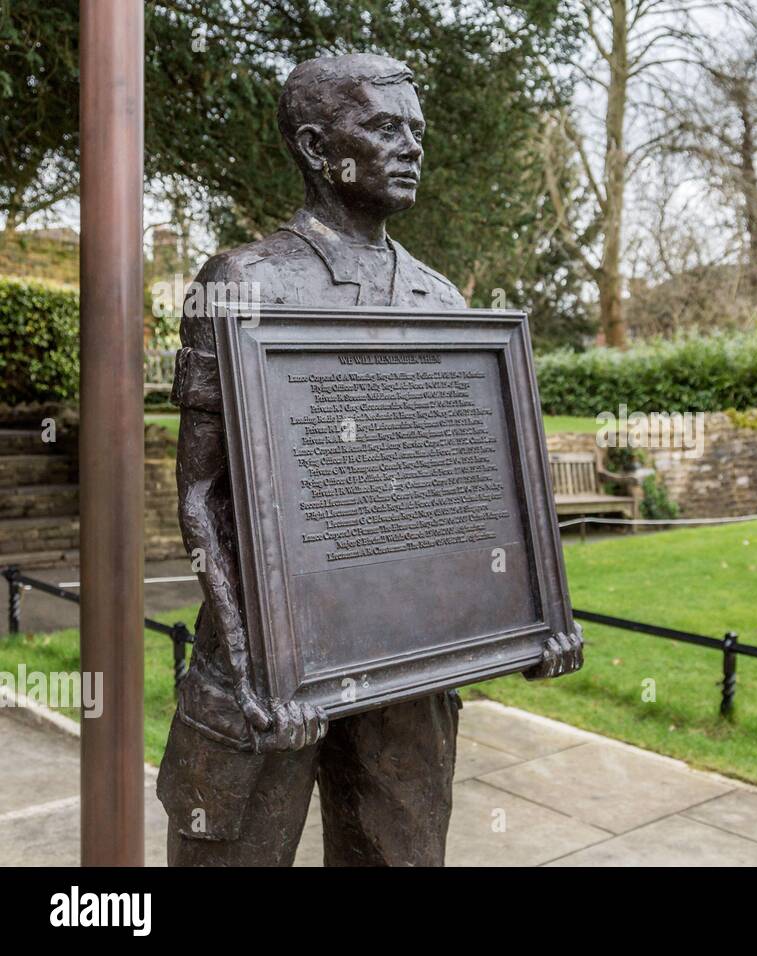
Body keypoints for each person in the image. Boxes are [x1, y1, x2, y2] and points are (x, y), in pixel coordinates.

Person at [157, 53, 582, 867]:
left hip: (404, 675)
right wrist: (254, 669)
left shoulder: (441, 300)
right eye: (386, 128)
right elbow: (202, 500)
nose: (413, 147)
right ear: (319, 148)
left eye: (417, 131)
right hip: (269, 667)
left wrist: (535, 624)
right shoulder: (241, 284)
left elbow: (472, 488)